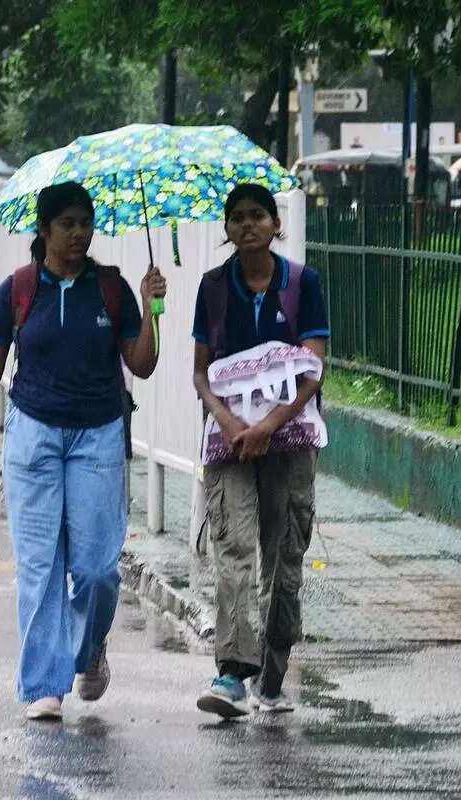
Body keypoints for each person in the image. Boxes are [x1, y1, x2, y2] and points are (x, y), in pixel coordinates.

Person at [0, 181, 166, 721]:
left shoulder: (111, 289)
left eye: (86, 223)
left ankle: (89, 649)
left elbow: (142, 364)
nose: (79, 233)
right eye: (67, 223)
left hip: (98, 435)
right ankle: (44, 682)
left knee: (95, 570)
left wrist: (155, 308)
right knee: (42, 567)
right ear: (43, 230)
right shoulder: (19, 290)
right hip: (34, 434)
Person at [192, 184, 329, 717]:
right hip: (229, 445)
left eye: (257, 215)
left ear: (275, 224)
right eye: (237, 218)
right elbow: (201, 372)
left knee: (283, 560)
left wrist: (268, 426)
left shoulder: (303, 284)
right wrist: (228, 422)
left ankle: (272, 676)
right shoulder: (212, 288)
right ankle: (230, 672)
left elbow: (312, 367)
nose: (248, 225)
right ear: (226, 230)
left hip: (288, 440)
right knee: (233, 549)